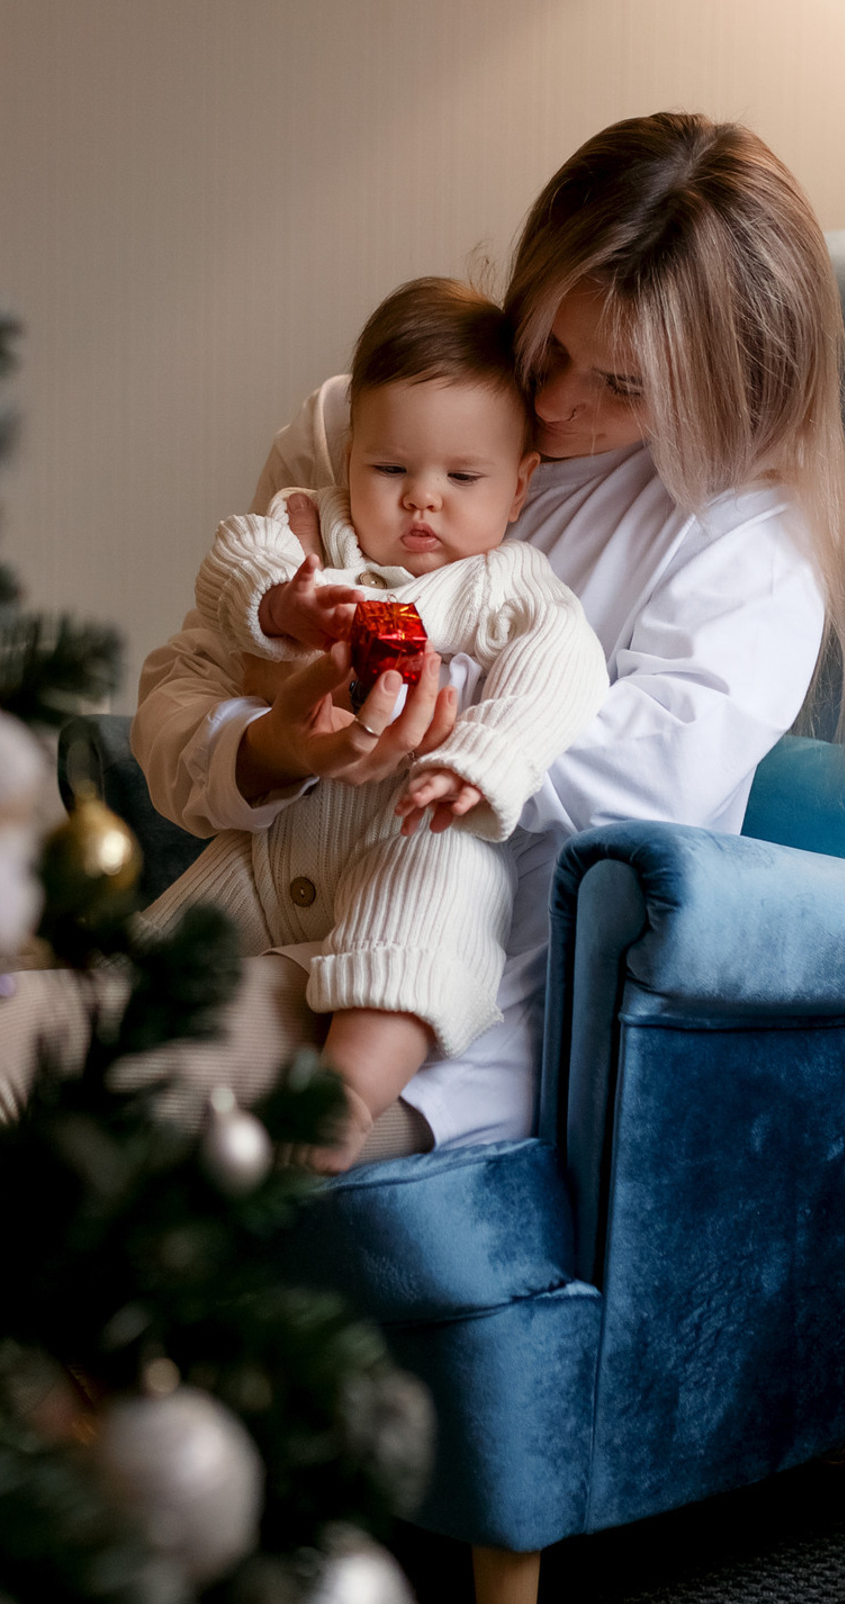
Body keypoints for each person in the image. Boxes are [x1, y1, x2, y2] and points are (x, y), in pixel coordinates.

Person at [131, 111, 845, 1158]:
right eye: (549, 344)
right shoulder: (360, 428)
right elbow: (194, 683)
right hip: (267, 894)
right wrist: (275, 745)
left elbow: (648, 781)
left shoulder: (742, 537)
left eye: (623, 386)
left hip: (443, 1016)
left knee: (52, 1058)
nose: (559, 402)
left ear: (722, 380)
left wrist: (422, 710)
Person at [140, 278, 608, 1168]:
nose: (421, 501)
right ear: (351, 457)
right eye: (391, 470)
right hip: (276, 849)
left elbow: (563, 667)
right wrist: (283, 603)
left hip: (410, 824)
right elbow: (240, 550)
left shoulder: (505, 580)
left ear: (518, 487)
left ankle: (346, 1094)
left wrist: (481, 761)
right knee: (147, 966)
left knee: (435, 913)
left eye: (461, 478)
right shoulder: (319, 532)